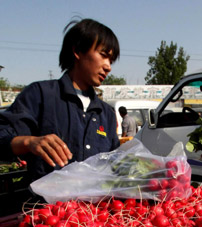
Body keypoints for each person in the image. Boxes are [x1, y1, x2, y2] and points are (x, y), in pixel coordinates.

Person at [0, 18, 120, 182]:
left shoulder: (106, 114)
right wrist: (29, 142)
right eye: (104, 56)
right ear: (77, 51)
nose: (108, 66)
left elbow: (115, 164)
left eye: (111, 61)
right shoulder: (40, 95)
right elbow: (2, 136)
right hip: (48, 206)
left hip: (95, 206)